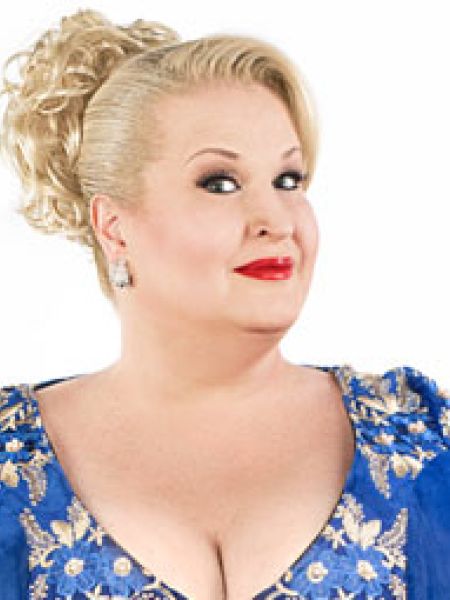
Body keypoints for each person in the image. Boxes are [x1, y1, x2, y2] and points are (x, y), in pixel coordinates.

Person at [0, 8, 448, 600]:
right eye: (220, 183)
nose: (276, 220)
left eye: (288, 180)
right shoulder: (9, 459)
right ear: (113, 226)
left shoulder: (419, 438)